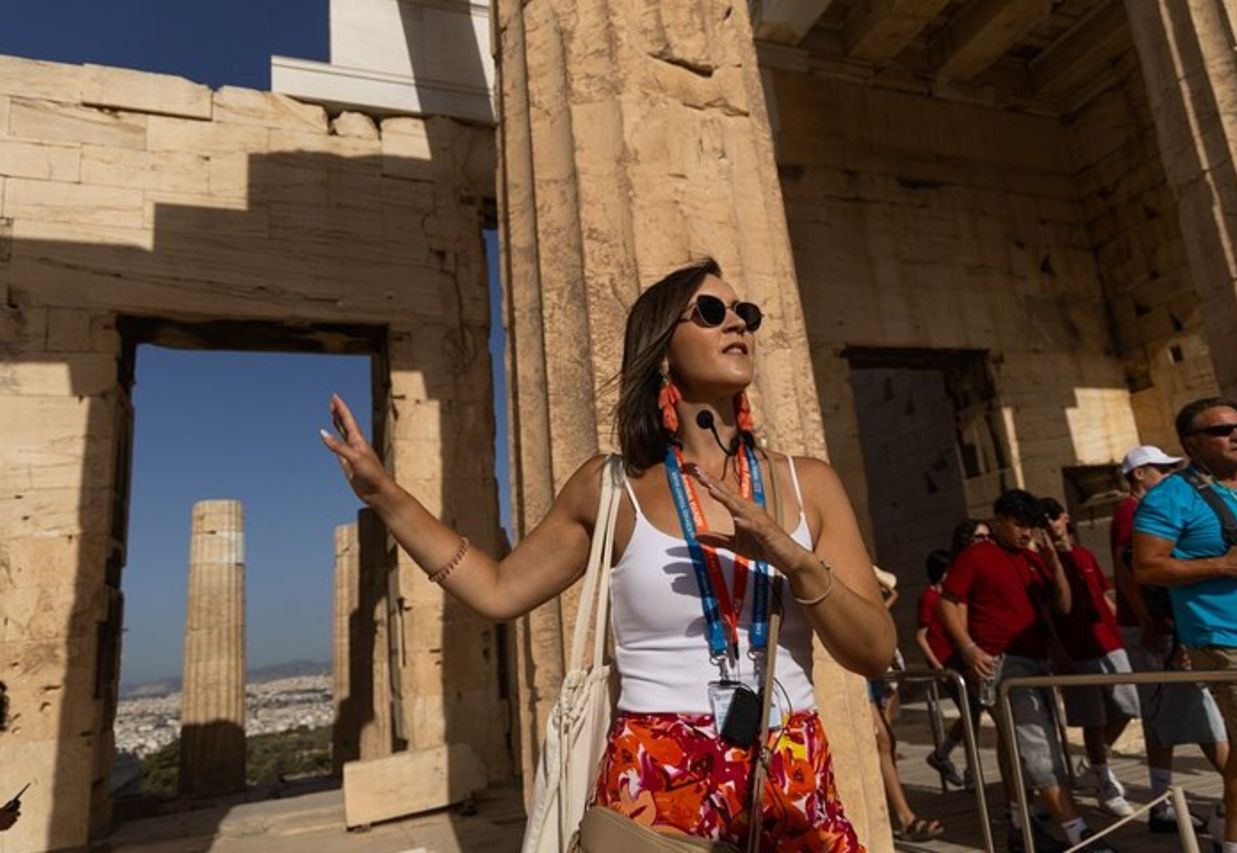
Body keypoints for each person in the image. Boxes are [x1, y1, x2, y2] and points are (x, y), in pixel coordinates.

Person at [321, 258, 895, 850]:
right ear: (662, 351)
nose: (737, 325)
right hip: (654, 781)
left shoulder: (810, 484)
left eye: (744, 314)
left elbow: (875, 652)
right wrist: (385, 496)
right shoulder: (611, 487)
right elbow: (496, 590)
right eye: (711, 312)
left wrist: (792, 559)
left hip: (792, 772)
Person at [1134, 397, 1237, 853]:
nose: (1236, 435)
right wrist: (1223, 564)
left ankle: (1233, 845)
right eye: (1221, 431)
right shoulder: (1169, 497)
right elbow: (1147, 568)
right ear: (1191, 444)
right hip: (1226, 637)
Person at [940, 489, 1114, 853]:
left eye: (1030, 527)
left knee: (1022, 750)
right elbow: (949, 601)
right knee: (1038, 748)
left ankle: (1020, 827)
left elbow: (1062, 605)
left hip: (1037, 663)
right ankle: (1076, 832)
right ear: (998, 521)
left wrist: (1052, 562)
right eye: (1019, 526)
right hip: (1003, 663)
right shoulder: (978, 556)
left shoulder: (1032, 559)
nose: (1025, 534)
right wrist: (968, 649)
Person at [1112, 444, 1226, 834]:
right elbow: (1130, 569)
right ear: (1138, 475)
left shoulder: (1144, 507)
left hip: (1162, 626)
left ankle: (1162, 801)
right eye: (1159, 468)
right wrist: (1151, 621)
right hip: (1159, 629)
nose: (1167, 474)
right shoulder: (1135, 510)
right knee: (1203, 712)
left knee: (1162, 713)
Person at [1038, 497, 1140, 818]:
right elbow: (1047, 614)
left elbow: (1103, 596)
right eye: (1044, 520)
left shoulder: (1084, 555)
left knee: (1128, 706)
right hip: (1076, 649)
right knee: (1093, 720)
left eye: (1054, 516)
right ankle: (1102, 782)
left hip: (1110, 643)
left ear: (1066, 517)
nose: (1051, 523)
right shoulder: (1042, 563)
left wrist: (1123, 629)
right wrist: (1059, 654)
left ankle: (1095, 764)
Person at [873, 567, 944, 842]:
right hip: (858, 670)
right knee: (883, 740)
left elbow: (892, 586)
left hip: (874, 668)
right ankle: (904, 817)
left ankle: (903, 816)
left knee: (885, 740)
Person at [917, 547, 975, 789]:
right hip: (945, 664)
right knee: (970, 713)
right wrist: (937, 666)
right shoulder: (929, 598)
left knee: (971, 713)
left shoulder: (951, 596)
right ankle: (950, 759)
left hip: (957, 660)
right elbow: (921, 636)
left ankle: (943, 754)